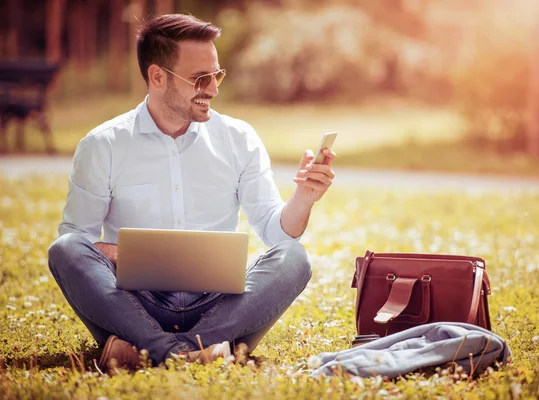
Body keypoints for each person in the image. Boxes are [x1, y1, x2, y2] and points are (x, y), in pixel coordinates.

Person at [47, 13, 336, 371]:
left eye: (216, 75)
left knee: (295, 257)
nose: (213, 89)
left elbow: (278, 232)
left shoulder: (238, 139)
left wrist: (304, 199)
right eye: (200, 79)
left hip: (220, 305)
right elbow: (78, 239)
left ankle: (144, 350)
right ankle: (197, 352)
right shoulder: (102, 145)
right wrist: (119, 252)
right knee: (65, 250)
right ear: (157, 77)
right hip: (135, 302)